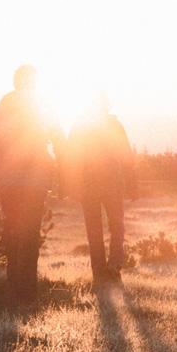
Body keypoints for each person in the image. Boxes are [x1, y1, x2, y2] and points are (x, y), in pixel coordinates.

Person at [0, 64, 63, 306]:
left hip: (12, 181)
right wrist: (65, 178)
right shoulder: (42, 107)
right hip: (32, 181)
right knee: (27, 233)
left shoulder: (1, 111)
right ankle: (26, 291)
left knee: (14, 230)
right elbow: (60, 142)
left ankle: (15, 288)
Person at [66, 94, 137, 287]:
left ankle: (101, 272)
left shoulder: (80, 127)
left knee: (95, 231)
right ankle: (113, 268)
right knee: (117, 226)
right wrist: (132, 185)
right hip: (110, 185)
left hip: (90, 187)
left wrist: (69, 185)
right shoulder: (114, 126)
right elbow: (126, 156)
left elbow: (69, 157)